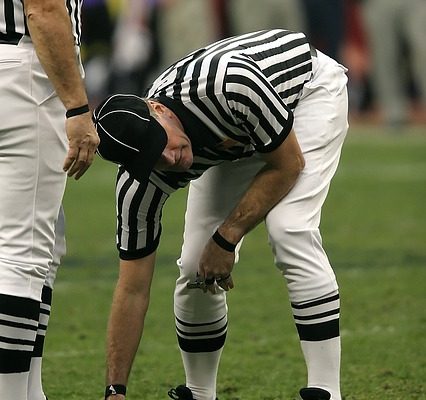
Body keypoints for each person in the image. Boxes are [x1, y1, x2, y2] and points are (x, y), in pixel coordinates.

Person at [94, 29, 348, 400]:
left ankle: (326, 390)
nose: (169, 159)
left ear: (159, 108)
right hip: (239, 129)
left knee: (289, 229)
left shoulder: (226, 86)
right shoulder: (140, 184)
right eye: (152, 159)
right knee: (194, 264)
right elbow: (132, 289)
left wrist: (226, 237)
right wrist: (114, 390)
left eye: (158, 143)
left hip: (304, 92)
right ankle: (199, 392)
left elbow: (288, 163)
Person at [0, 0, 99, 399]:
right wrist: (77, 107)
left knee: (47, 245)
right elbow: (43, 8)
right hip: (23, 68)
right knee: (23, 254)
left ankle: (29, 389)